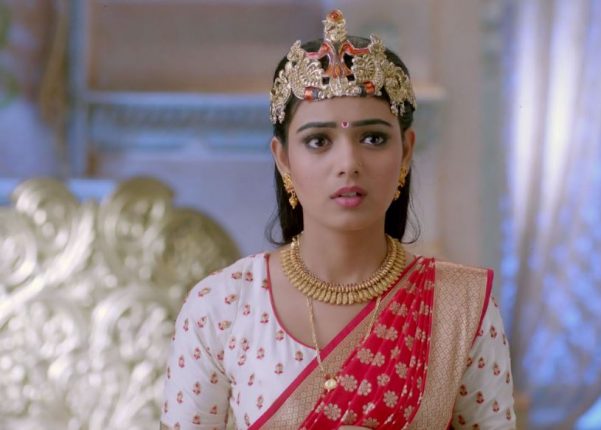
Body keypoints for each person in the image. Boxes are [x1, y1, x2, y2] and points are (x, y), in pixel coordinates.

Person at [161, 10, 515, 430]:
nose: (348, 162)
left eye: (373, 138)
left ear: (405, 152)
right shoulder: (222, 306)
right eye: (318, 141)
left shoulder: (460, 307)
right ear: (283, 159)